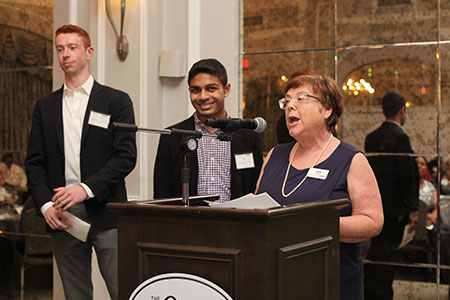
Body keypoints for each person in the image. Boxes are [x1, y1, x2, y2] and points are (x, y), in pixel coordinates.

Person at [25, 24, 136, 300]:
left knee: (123, 290)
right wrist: (45, 204)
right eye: (60, 49)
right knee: (76, 295)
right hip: (62, 215)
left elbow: (125, 157)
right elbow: (34, 162)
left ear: (89, 52)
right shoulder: (45, 106)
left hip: (106, 209)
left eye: (72, 48)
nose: (65, 54)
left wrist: (85, 188)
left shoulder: (116, 101)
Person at [255, 74, 383, 300]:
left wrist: (311, 226)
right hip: (275, 279)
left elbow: (372, 222)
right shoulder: (274, 155)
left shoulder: (351, 159)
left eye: (301, 98)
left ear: (327, 110)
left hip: (329, 281)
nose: (290, 106)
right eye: (287, 101)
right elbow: (257, 211)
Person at [154, 58, 263, 202]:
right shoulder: (172, 136)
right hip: (188, 222)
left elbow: (256, 188)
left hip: (237, 221)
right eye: (196, 90)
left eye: (211, 88)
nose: (203, 96)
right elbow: (161, 196)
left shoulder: (248, 136)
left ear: (226, 90)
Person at [364, 92, 419, 300]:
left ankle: (370, 293)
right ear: (402, 110)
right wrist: (413, 209)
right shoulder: (401, 138)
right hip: (394, 210)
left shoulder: (371, 138)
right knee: (387, 259)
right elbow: (406, 177)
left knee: (375, 255)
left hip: (373, 205)